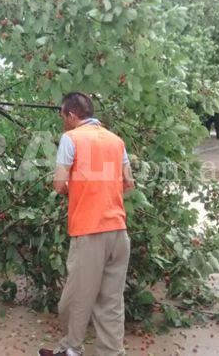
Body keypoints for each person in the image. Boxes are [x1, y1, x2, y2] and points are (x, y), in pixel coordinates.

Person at [40, 92, 135, 356]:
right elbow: (129, 183)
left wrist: (78, 185)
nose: (63, 123)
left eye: (63, 117)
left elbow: (59, 184)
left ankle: (71, 349)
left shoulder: (71, 138)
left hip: (90, 231)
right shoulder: (116, 141)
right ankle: (111, 353)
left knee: (74, 300)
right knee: (111, 302)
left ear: (71, 115)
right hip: (118, 231)